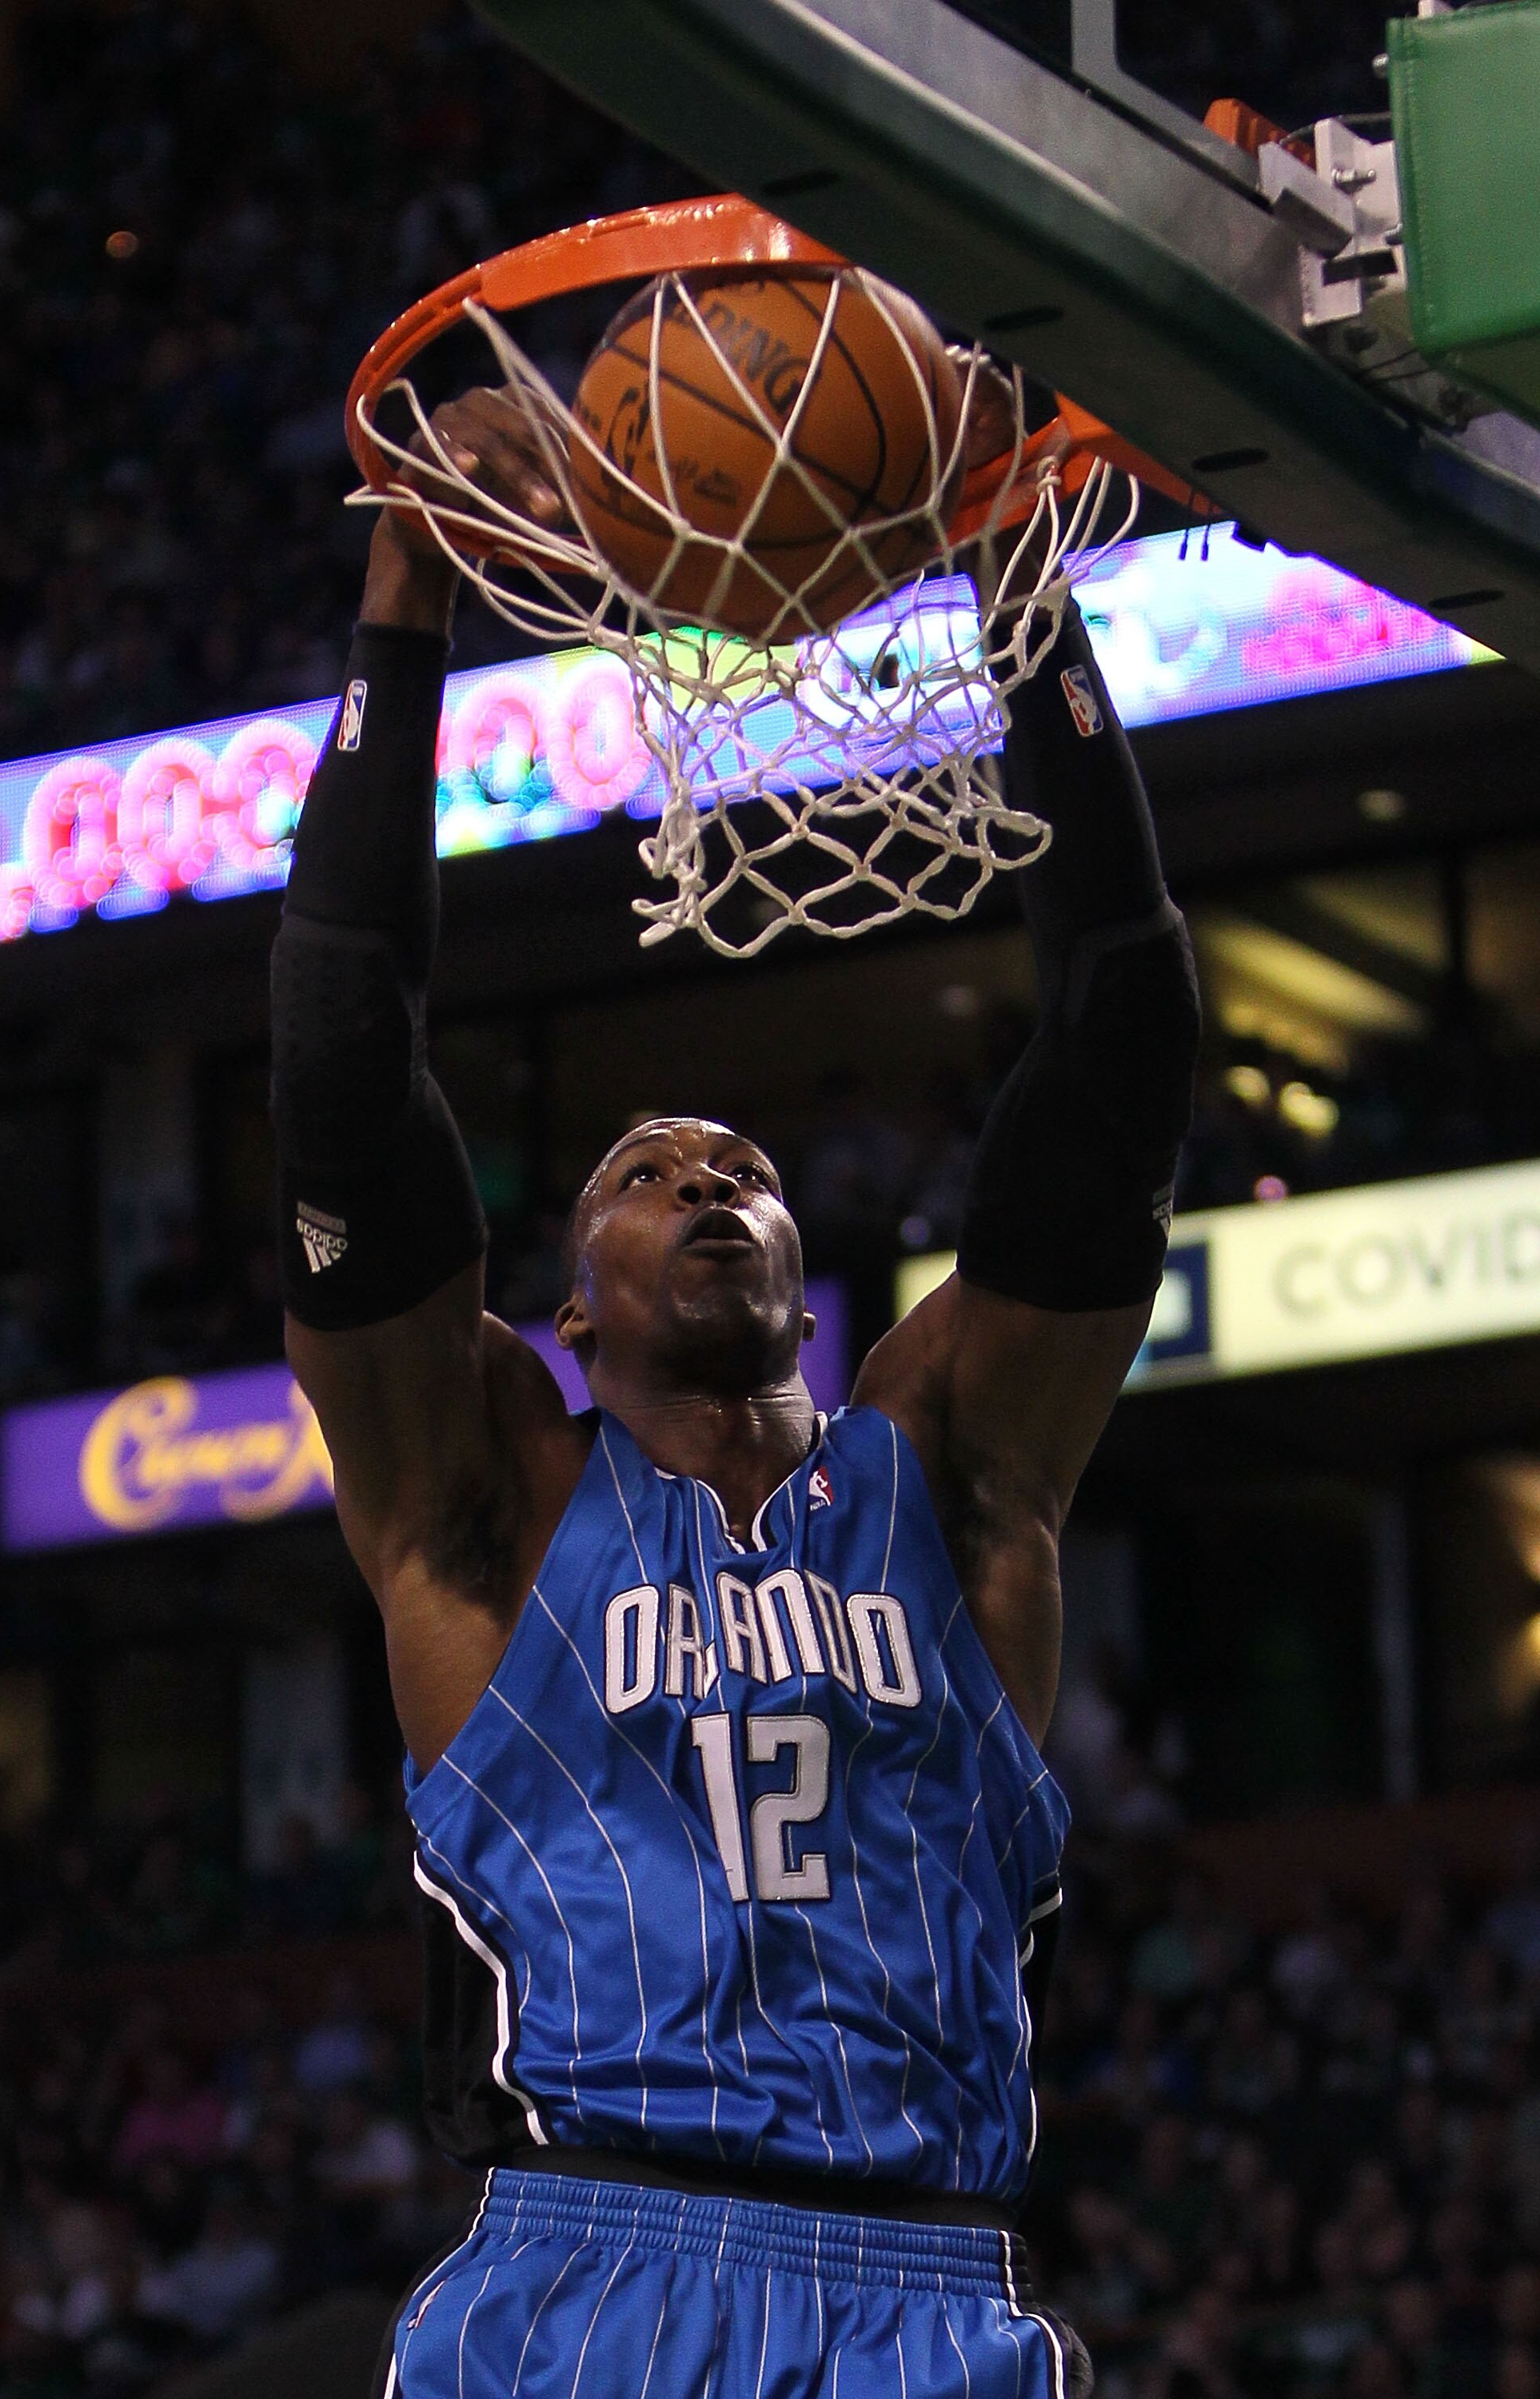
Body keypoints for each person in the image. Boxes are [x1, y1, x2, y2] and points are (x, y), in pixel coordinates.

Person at [270, 377, 1199, 2399]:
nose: (707, 1182)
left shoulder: (954, 1479)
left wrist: (1013, 586)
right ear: (565, 1313)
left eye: (747, 1173)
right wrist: (406, 612)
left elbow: (1119, 1043)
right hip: (577, 2271)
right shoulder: (487, 1498)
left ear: (809, 1288)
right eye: (643, 1173)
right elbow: (345, 1066)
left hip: (928, 2287)